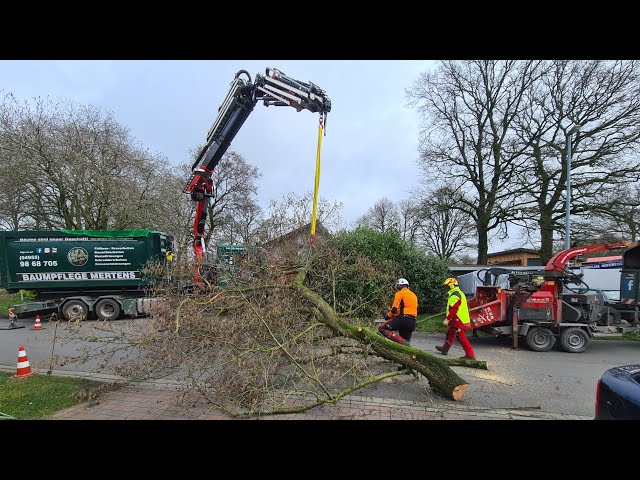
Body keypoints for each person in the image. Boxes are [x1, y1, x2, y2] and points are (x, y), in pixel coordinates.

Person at [436, 277, 476, 360]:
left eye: (446, 286)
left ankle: (470, 355)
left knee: (461, 337)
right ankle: (445, 349)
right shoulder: (458, 293)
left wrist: (447, 319)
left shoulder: (455, 295)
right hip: (458, 318)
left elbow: (454, 309)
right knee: (450, 333)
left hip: (458, 319)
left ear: (451, 286)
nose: (445, 288)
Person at [378, 278, 418, 347]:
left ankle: (403, 342)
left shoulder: (399, 293)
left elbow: (394, 309)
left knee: (382, 328)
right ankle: (406, 350)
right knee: (405, 344)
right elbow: (407, 308)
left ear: (399, 286)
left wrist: (388, 316)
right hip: (412, 321)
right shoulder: (413, 295)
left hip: (403, 319)